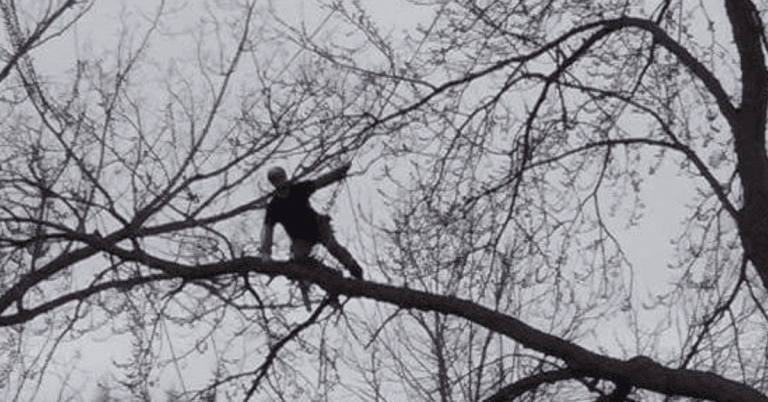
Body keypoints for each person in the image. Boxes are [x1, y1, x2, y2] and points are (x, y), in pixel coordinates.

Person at [258, 162, 364, 309]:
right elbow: (267, 229)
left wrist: (339, 172)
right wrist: (265, 253)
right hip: (301, 238)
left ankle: (354, 268)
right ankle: (331, 279)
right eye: (277, 180)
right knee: (299, 259)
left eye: (281, 178)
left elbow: (321, 181)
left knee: (332, 247)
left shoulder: (299, 189)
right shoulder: (274, 207)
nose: (280, 182)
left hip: (318, 227)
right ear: (273, 184)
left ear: (285, 177)